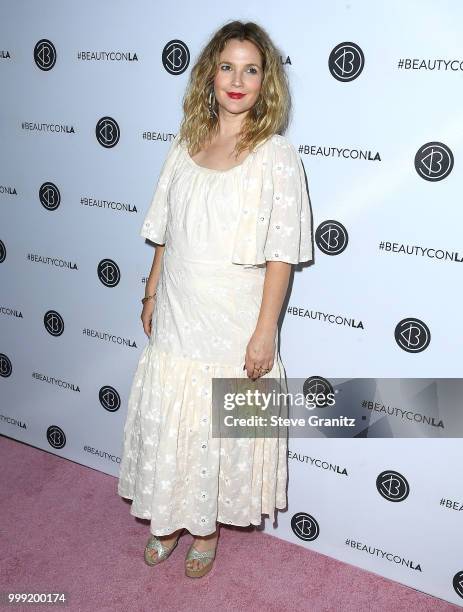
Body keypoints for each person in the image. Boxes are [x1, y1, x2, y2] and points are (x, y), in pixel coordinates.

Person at [117, 19, 314, 579]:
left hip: (232, 315)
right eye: (227, 66)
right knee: (173, 415)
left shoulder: (276, 155)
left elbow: (281, 254)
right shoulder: (185, 145)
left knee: (213, 422)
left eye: (250, 69)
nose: (237, 79)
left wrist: (265, 331)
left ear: (265, 82)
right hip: (180, 307)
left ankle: (204, 527)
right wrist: (152, 288)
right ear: (210, 74)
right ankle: (172, 516)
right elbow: (166, 232)